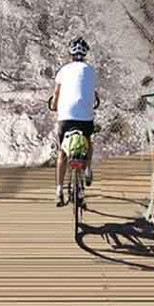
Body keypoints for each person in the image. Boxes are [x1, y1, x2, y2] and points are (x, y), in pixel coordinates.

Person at [50, 37, 100, 206]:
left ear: (70, 54)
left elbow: (56, 95)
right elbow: (91, 94)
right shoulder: (91, 70)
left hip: (65, 117)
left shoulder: (63, 70)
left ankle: (58, 189)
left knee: (62, 153)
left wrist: (54, 106)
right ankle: (87, 169)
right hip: (85, 117)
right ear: (85, 54)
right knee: (88, 141)